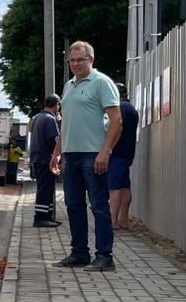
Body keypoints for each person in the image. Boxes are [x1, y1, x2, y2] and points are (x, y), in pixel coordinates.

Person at [50, 41, 121, 271]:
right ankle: (79, 253)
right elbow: (66, 125)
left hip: (93, 154)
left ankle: (105, 256)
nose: (76, 64)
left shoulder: (102, 83)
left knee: (99, 206)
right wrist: (56, 154)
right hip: (71, 155)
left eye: (81, 59)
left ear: (91, 60)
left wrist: (106, 150)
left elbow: (117, 121)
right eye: (72, 60)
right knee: (73, 205)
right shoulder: (69, 87)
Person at [109, 83, 140, 229]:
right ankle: (124, 220)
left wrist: (109, 148)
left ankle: (113, 222)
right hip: (128, 153)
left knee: (114, 187)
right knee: (125, 186)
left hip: (117, 153)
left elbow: (118, 128)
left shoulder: (119, 108)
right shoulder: (132, 109)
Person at [30, 94, 61, 227]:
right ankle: (41, 218)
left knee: (45, 188)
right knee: (45, 189)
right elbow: (53, 141)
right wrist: (57, 156)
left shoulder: (38, 117)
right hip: (46, 159)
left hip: (38, 157)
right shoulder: (49, 120)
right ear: (57, 105)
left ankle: (47, 215)